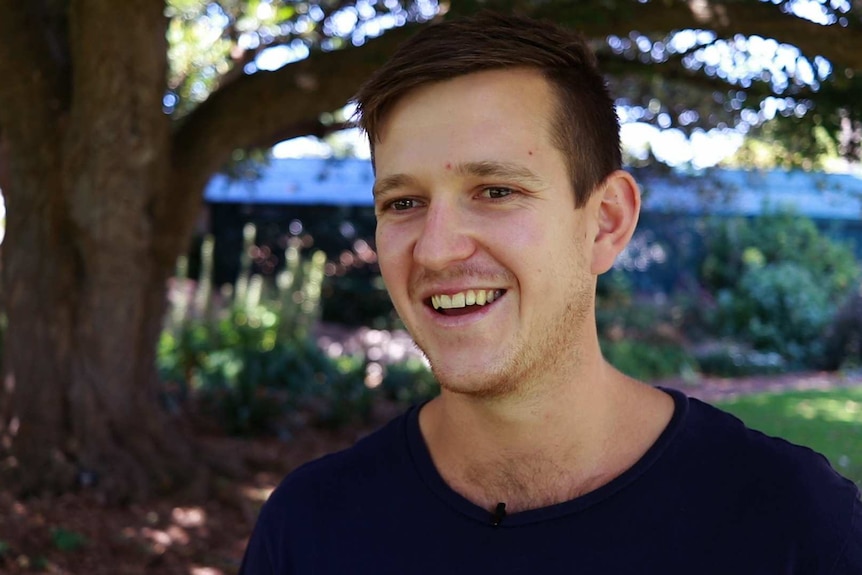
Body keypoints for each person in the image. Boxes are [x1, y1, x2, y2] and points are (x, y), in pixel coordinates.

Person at [239, 12, 862, 574]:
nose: (434, 249)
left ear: (606, 221)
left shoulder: (793, 526)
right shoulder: (309, 530)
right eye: (403, 202)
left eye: (496, 191)